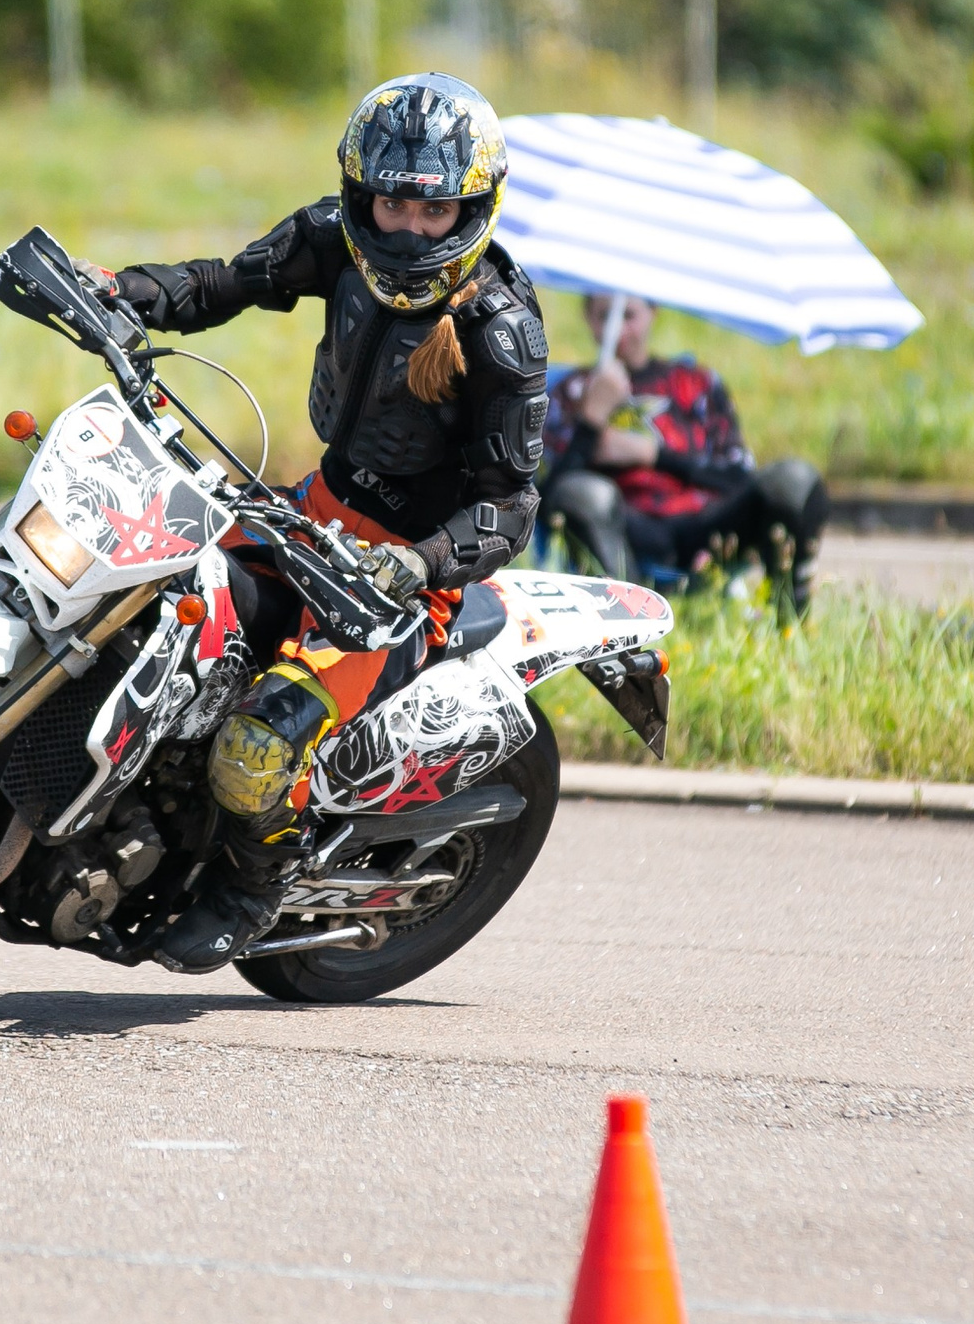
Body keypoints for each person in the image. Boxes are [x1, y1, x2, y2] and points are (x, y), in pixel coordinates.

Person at [85, 72, 549, 974]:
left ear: (474, 206)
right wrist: (121, 289)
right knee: (131, 584)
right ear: (360, 193)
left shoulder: (500, 328)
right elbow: (223, 284)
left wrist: (419, 566)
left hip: (405, 589)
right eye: (389, 202)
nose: (405, 226)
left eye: (432, 209)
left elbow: (512, 503)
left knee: (258, 746)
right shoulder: (337, 239)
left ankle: (254, 885)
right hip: (310, 514)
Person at [540, 294, 828, 607]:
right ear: (588, 320)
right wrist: (590, 423)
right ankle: (627, 620)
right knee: (585, 495)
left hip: (705, 525)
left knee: (793, 480)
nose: (618, 330)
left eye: (628, 316)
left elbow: (738, 478)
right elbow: (550, 500)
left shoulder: (695, 383)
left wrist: (653, 455)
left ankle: (789, 616)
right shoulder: (572, 391)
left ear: (653, 312)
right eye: (605, 316)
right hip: (627, 530)